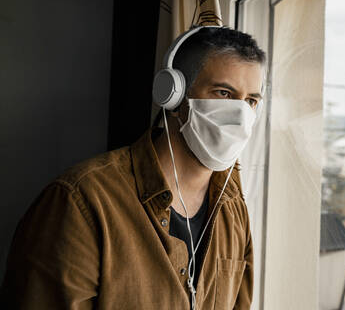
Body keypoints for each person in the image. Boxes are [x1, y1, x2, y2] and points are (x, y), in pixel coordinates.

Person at [1, 25, 266, 310]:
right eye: (224, 93)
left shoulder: (232, 207)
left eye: (251, 100)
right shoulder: (81, 201)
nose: (241, 116)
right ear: (173, 96)